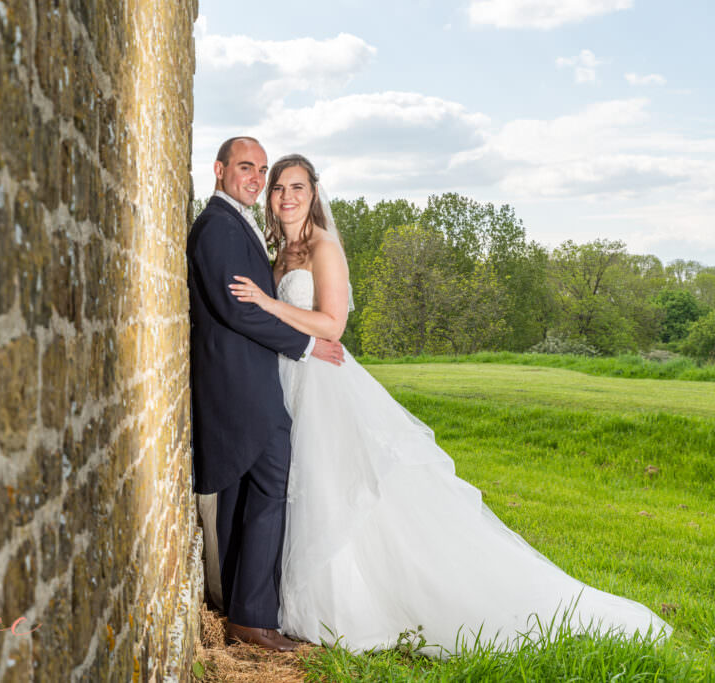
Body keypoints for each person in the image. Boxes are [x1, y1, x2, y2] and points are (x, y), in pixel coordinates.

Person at [228, 154, 670, 655]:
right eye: (279, 188)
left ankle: (356, 603)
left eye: (298, 188)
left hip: (323, 381)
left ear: (313, 195)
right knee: (302, 489)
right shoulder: (281, 251)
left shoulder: (324, 248)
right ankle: (307, 597)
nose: (287, 197)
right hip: (291, 373)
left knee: (336, 487)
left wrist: (266, 304)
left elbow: (332, 325)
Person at [186, 138, 344, 653]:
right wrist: (304, 345)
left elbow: (320, 317)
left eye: (264, 171)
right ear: (219, 170)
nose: (258, 180)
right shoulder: (218, 224)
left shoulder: (242, 225)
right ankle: (251, 618)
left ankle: (239, 605)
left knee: (250, 491)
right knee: (269, 489)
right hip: (246, 384)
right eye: (248, 169)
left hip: (263, 380)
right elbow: (237, 310)